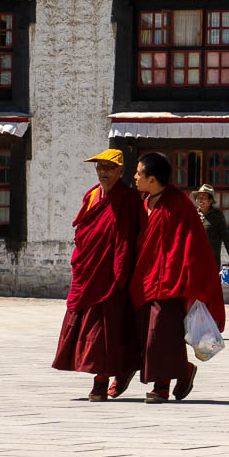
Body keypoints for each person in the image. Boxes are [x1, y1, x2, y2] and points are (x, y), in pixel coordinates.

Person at [129, 152, 225, 404]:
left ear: (151, 179)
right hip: (146, 277)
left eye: (139, 173)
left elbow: (192, 243)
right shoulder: (145, 203)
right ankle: (184, 370)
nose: (135, 177)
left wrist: (188, 278)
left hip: (172, 279)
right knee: (148, 333)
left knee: (160, 334)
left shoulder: (178, 203)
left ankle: (161, 387)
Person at [53, 149, 145, 401]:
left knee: (105, 331)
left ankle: (100, 382)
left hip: (111, 273)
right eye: (99, 167)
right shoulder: (92, 195)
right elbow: (82, 229)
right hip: (87, 269)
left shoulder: (128, 198)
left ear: (120, 171)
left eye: (108, 167)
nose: (103, 172)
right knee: (86, 326)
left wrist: (121, 272)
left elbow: (128, 238)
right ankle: (118, 371)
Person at [191, 184, 229, 268]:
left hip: (211, 261)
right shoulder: (193, 215)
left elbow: (226, 237)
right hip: (195, 260)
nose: (200, 200)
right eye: (198, 198)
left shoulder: (217, 216)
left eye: (204, 198)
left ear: (210, 201)